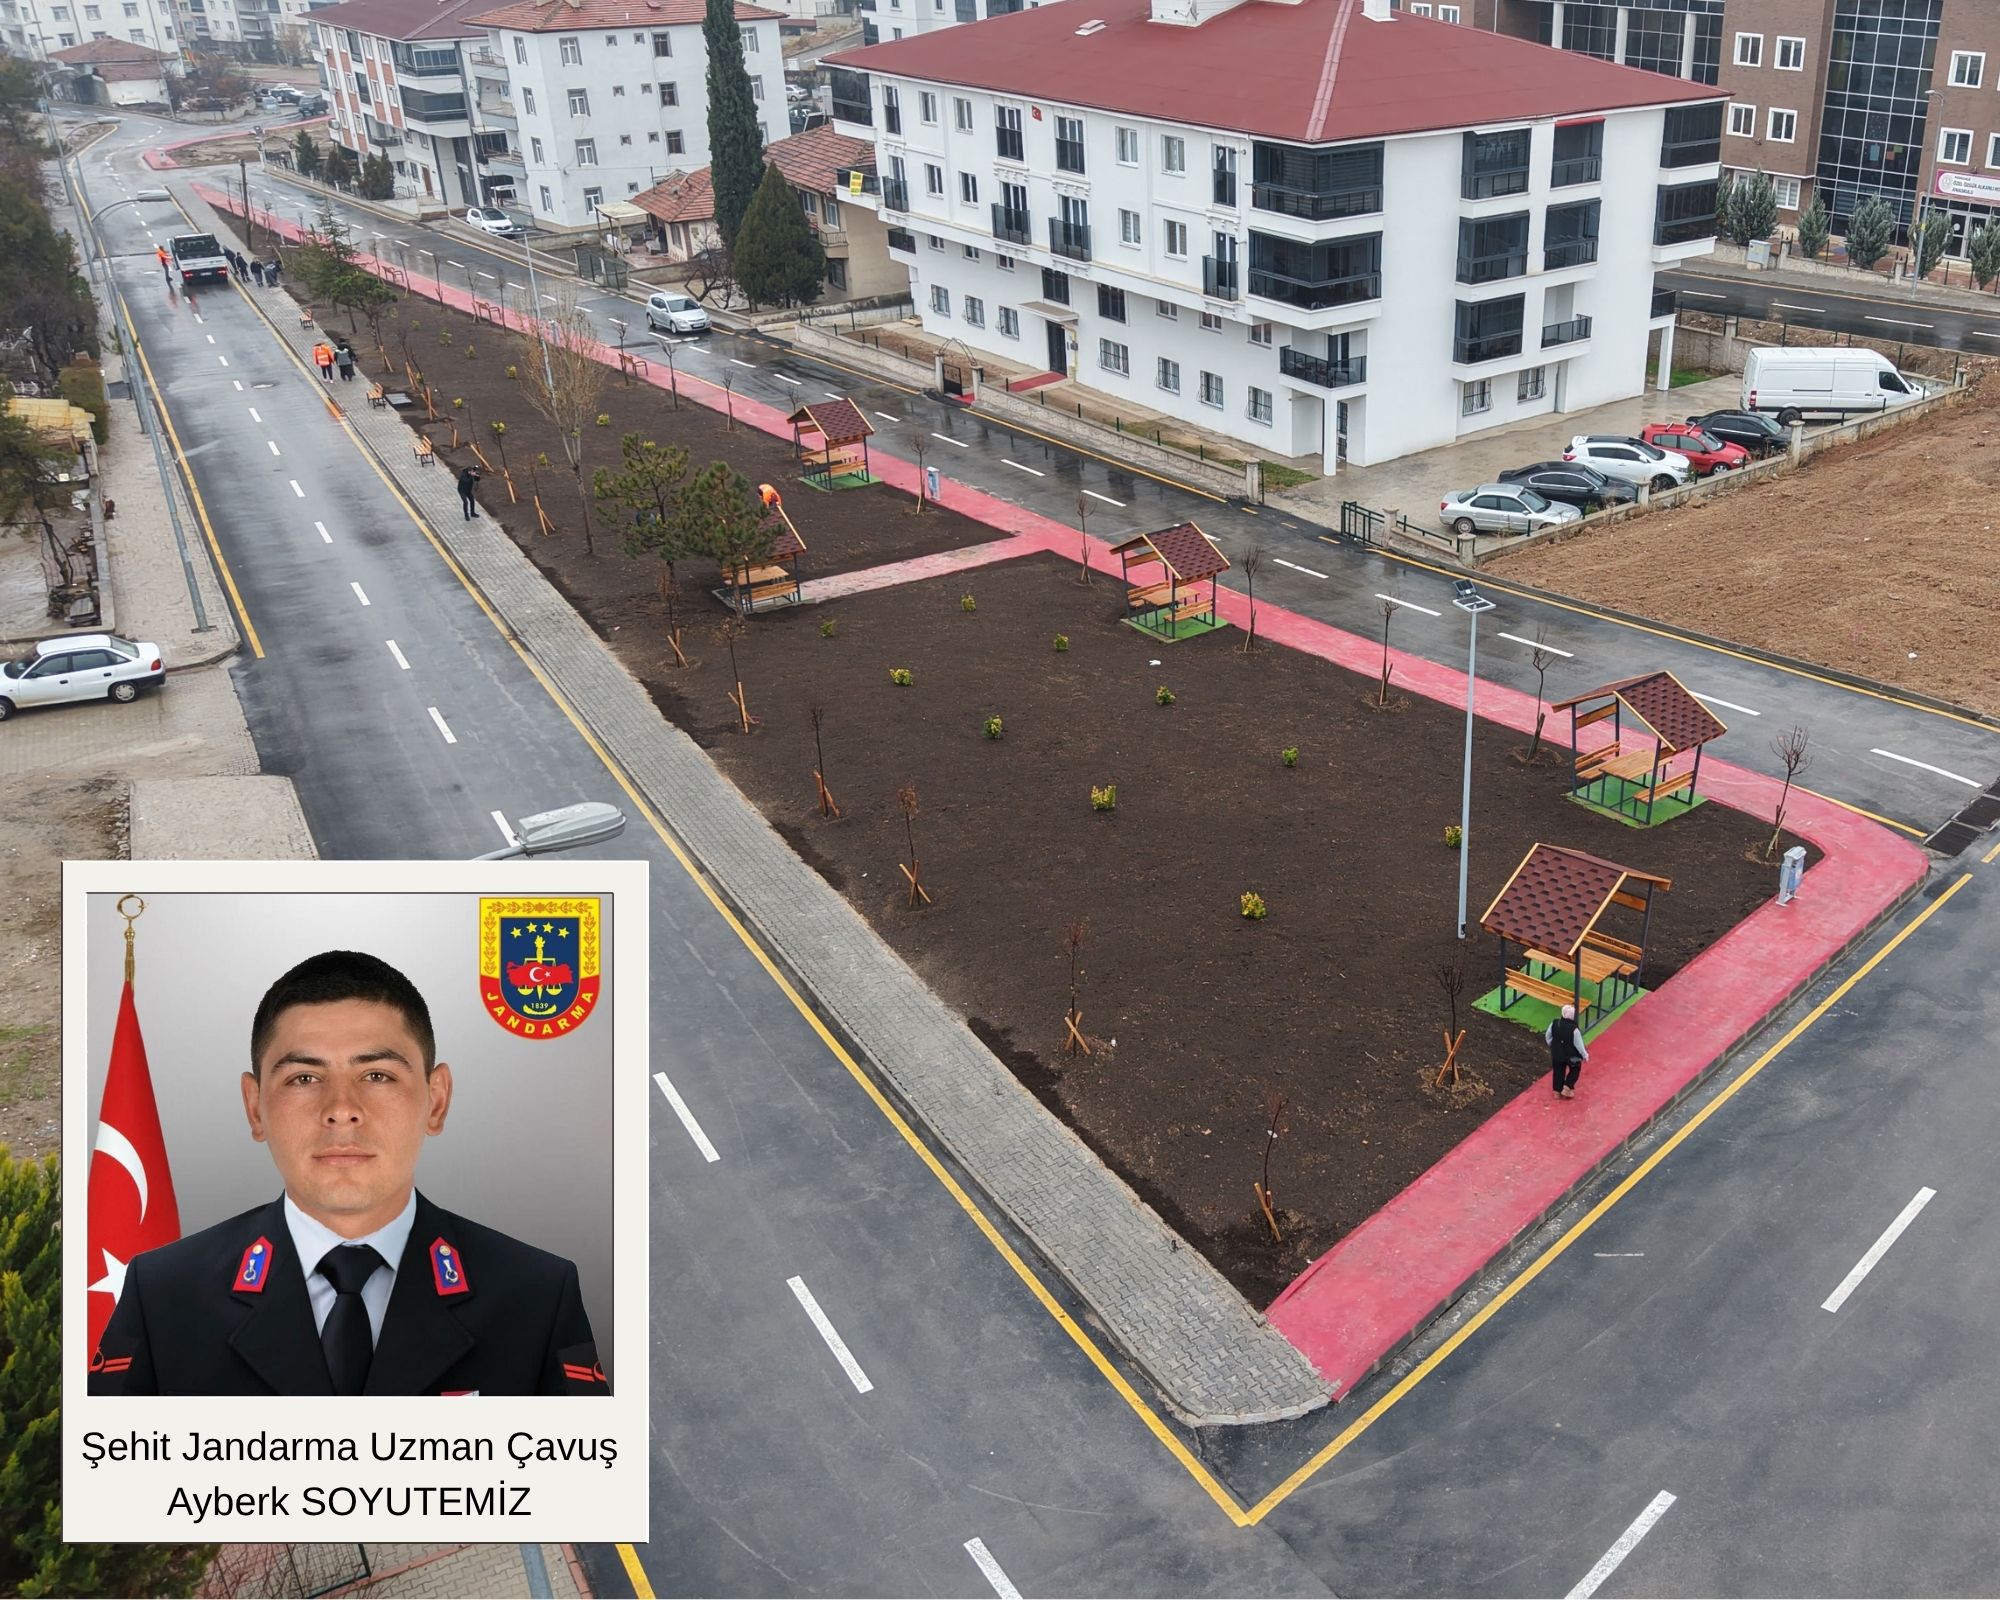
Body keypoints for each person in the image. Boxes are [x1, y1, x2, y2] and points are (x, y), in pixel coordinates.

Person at [88, 950, 605, 1397]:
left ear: (436, 1101)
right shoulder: (164, 1294)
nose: (341, 1109)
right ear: (254, 1108)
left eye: (377, 1075)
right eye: (303, 1078)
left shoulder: (537, 1295)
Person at [1546, 1003, 1589, 1100]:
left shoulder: (1555, 1023)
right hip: (1571, 1055)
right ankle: (1567, 1086)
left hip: (1557, 1053)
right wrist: (1585, 1055)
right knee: (1575, 1069)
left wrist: (1553, 1045)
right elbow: (1579, 1045)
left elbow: (1548, 1036)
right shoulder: (1574, 1029)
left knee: (1558, 1071)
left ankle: (1556, 1092)